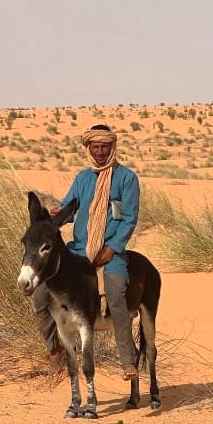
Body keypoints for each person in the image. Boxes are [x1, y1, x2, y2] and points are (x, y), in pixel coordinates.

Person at [33, 124, 140, 380]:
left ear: (112, 147)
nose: (100, 151)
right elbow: (70, 208)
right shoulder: (82, 178)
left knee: (115, 295)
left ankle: (127, 361)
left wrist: (113, 248)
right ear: (88, 148)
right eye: (96, 146)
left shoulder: (126, 178)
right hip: (79, 251)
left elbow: (129, 219)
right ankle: (54, 351)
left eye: (105, 146)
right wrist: (58, 213)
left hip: (110, 253)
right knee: (40, 295)